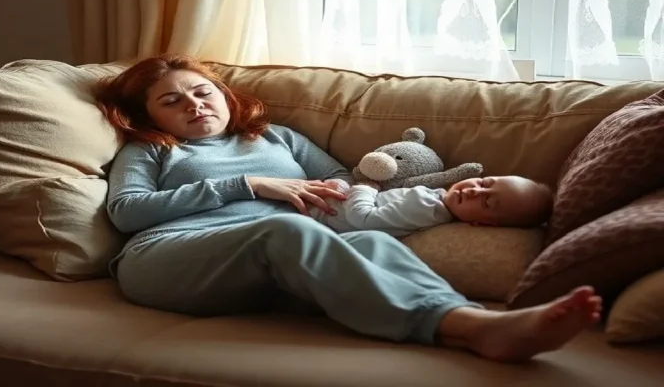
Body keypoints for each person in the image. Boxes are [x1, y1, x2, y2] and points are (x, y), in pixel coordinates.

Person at [95, 53, 602, 363]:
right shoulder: (152, 150)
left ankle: (465, 314)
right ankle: (473, 332)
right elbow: (127, 211)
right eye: (172, 102)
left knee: (371, 240)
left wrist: (364, 200)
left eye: (202, 92)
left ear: (223, 95)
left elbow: (344, 179)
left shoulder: (277, 137)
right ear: (148, 116)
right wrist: (248, 185)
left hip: (273, 258)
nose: (195, 105)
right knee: (286, 234)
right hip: (167, 257)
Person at [308, 176, 553, 236]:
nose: (474, 190)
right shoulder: (437, 198)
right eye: (484, 182)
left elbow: (363, 219)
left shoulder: (427, 208)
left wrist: (363, 188)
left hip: (315, 213)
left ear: (484, 223)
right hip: (327, 201)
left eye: (486, 201)